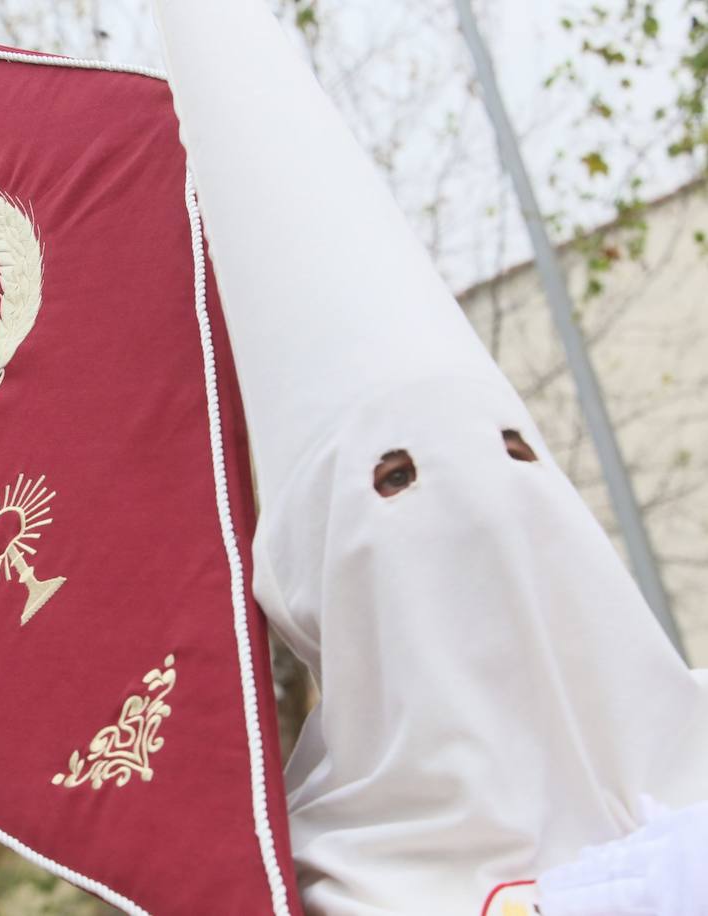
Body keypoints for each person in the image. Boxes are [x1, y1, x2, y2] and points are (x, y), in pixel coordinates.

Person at [153, 2, 708, 913]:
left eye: (513, 451)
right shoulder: (307, 887)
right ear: (313, 579)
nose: (481, 500)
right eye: (395, 477)